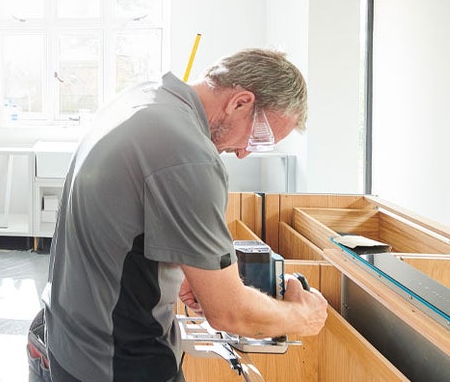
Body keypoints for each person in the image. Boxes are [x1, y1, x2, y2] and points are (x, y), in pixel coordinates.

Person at [44, 49, 329, 382]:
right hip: (118, 361)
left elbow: (125, 214)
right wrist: (301, 316)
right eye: (260, 137)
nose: (243, 152)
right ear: (240, 101)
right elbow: (229, 314)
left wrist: (189, 268)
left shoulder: (143, 98)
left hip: (71, 341)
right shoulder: (190, 156)